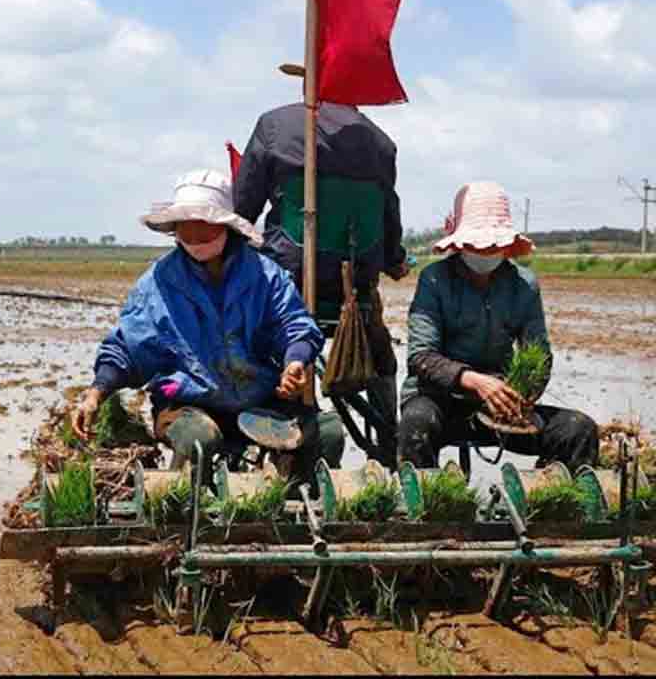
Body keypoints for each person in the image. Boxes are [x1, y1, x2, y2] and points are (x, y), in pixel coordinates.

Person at [72, 169, 345, 486]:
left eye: (204, 228)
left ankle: (296, 505)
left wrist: (294, 362)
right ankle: (189, 515)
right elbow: (128, 348)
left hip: (260, 399)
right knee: (200, 440)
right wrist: (96, 393)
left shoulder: (264, 275)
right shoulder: (159, 283)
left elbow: (295, 324)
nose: (196, 238)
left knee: (328, 432)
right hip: (189, 403)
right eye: (186, 230)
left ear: (225, 227)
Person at [232, 62, 409, 437]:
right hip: (355, 288)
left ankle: (251, 409)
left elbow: (242, 209)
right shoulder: (381, 142)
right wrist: (394, 260)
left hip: (287, 283)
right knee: (380, 346)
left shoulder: (274, 126)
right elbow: (389, 213)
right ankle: (388, 427)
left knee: (241, 324)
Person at [397, 181, 598, 472]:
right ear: (459, 242)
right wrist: (476, 382)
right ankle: (425, 509)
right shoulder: (434, 280)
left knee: (578, 429)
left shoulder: (523, 285)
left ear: (505, 245)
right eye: (478, 244)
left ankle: (554, 505)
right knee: (416, 425)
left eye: (493, 244)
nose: (485, 250)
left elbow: (538, 354)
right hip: (441, 402)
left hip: (502, 406)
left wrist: (523, 394)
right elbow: (420, 357)